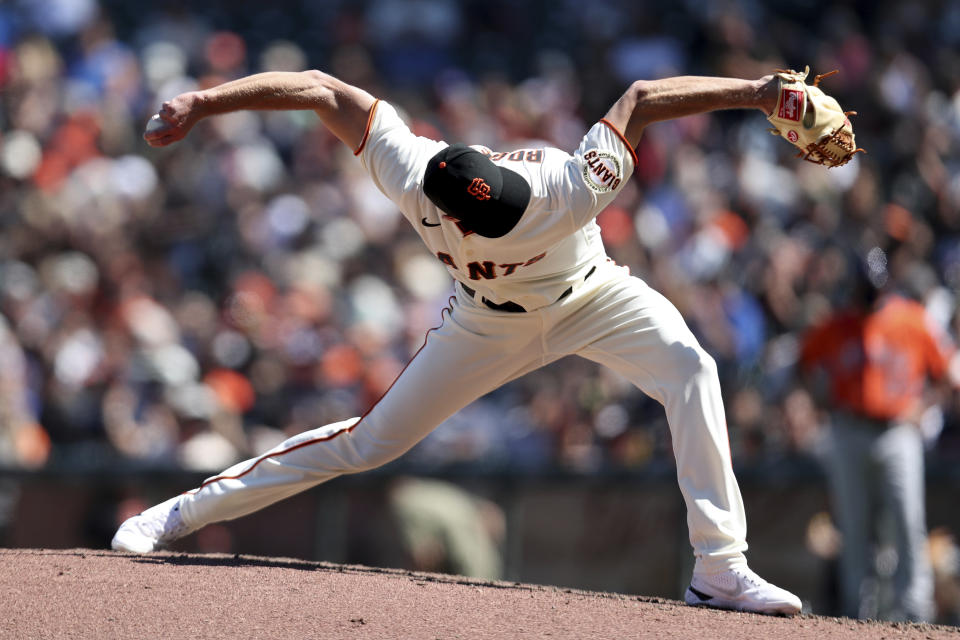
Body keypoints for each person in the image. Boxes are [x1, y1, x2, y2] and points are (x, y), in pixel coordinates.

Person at [112, 66, 803, 615]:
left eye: (490, 217)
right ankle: (174, 516)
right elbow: (321, 88)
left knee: (692, 368)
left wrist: (756, 93)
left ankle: (720, 569)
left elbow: (644, 96)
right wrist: (204, 101)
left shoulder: (564, 188)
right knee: (368, 442)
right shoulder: (416, 170)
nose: (475, 223)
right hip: (486, 320)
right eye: (467, 215)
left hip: (591, 295)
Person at [799, 249, 957, 621]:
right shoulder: (838, 324)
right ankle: (857, 615)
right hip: (849, 429)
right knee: (853, 527)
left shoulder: (911, 319)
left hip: (898, 431)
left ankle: (915, 614)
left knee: (907, 523)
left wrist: (925, 405)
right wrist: (823, 401)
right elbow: (804, 366)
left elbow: (949, 372)